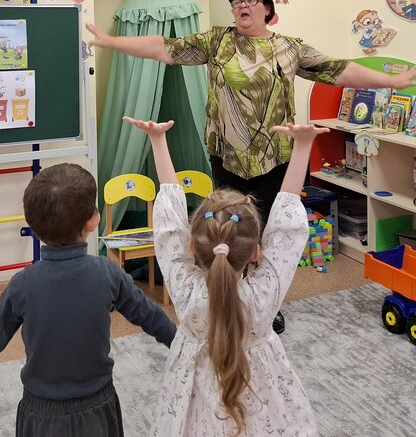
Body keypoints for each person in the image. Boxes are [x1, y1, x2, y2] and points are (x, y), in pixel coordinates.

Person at [87, 0, 416, 331]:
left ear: (267, 9)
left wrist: (390, 82)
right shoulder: (217, 41)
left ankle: (265, 304)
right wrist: (112, 42)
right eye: (236, 2)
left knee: (272, 233)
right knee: (229, 232)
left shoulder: (290, 48)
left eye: (250, 0)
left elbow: (339, 69)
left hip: (275, 159)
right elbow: (163, 48)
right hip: (227, 158)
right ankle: (228, 298)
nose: (242, 6)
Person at [0, 162, 176, 437]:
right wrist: (182, 344)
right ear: (93, 220)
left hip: (41, 414)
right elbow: (150, 316)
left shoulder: (22, 284)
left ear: (32, 226)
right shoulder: (108, 274)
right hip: (97, 407)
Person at [125, 115, 327, 437]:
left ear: (192, 246)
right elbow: (286, 230)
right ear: (257, 252)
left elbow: (168, 228)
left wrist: (158, 141)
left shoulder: (185, 291)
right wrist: (302, 147)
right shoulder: (264, 293)